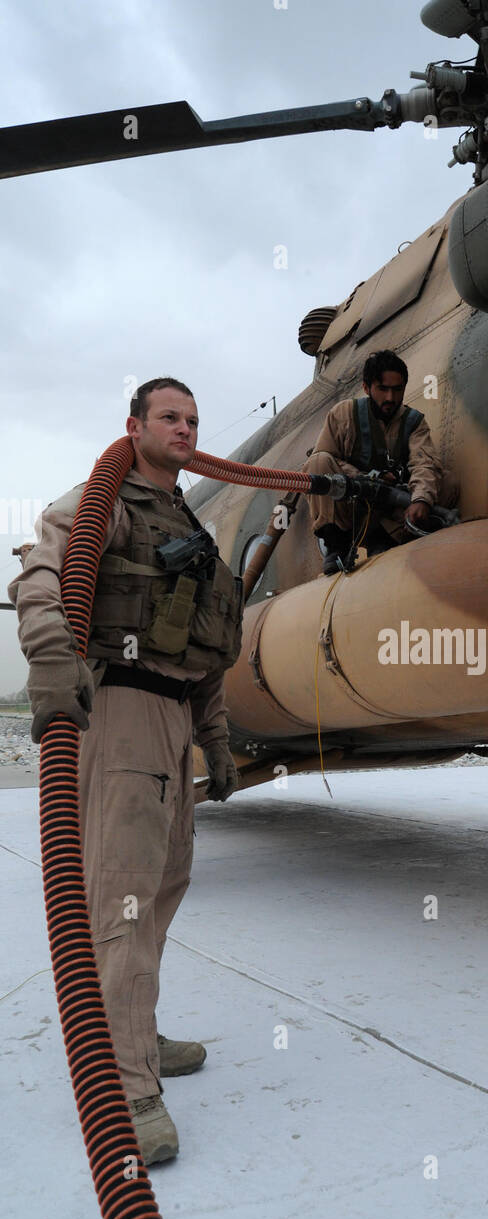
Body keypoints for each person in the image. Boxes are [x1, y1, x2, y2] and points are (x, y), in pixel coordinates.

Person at [8, 378, 243, 1165]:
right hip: (124, 713)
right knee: (125, 899)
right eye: (170, 416)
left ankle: (131, 1031)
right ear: (133, 426)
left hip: (174, 722)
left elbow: (201, 647)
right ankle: (125, 1084)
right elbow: (41, 577)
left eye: (194, 420)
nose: (185, 428)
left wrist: (217, 736)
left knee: (165, 885)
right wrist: (48, 662)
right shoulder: (102, 498)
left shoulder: (182, 519)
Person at [305, 349, 448, 573]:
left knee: (448, 481)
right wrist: (367, 478)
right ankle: (336, 546)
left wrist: (421, 499)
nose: (390, 398)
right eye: (383, 389)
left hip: (390, 513)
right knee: (319, 463)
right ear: (366, 387)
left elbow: (424, 464)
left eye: (397, 389)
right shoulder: (343, 415)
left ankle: (385, 538)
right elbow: (322, 460)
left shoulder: (414, 423)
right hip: (351, 509)